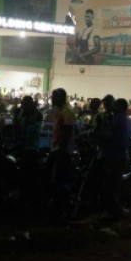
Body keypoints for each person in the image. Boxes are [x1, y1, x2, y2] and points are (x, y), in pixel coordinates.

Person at [48, 88, 77, 222]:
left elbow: (67, 133)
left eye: (54, 97)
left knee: (61, 182)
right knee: (56, 182)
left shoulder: (67, 112)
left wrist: (60, 151)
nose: (52, 99)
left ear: (61, 98)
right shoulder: (60, 112)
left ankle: (65, 211)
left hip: (63, 153)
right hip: (58, 151)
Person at [100, 98, 131, 220]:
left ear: (120, 107)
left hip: (115, 155)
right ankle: (116, 211)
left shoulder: (117, 118)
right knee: (114, 185)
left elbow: (108, 135)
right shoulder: (126, 119)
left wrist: (100, 133)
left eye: (116, 104)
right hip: (122, 154)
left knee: (110, 186)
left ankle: (114, 212)